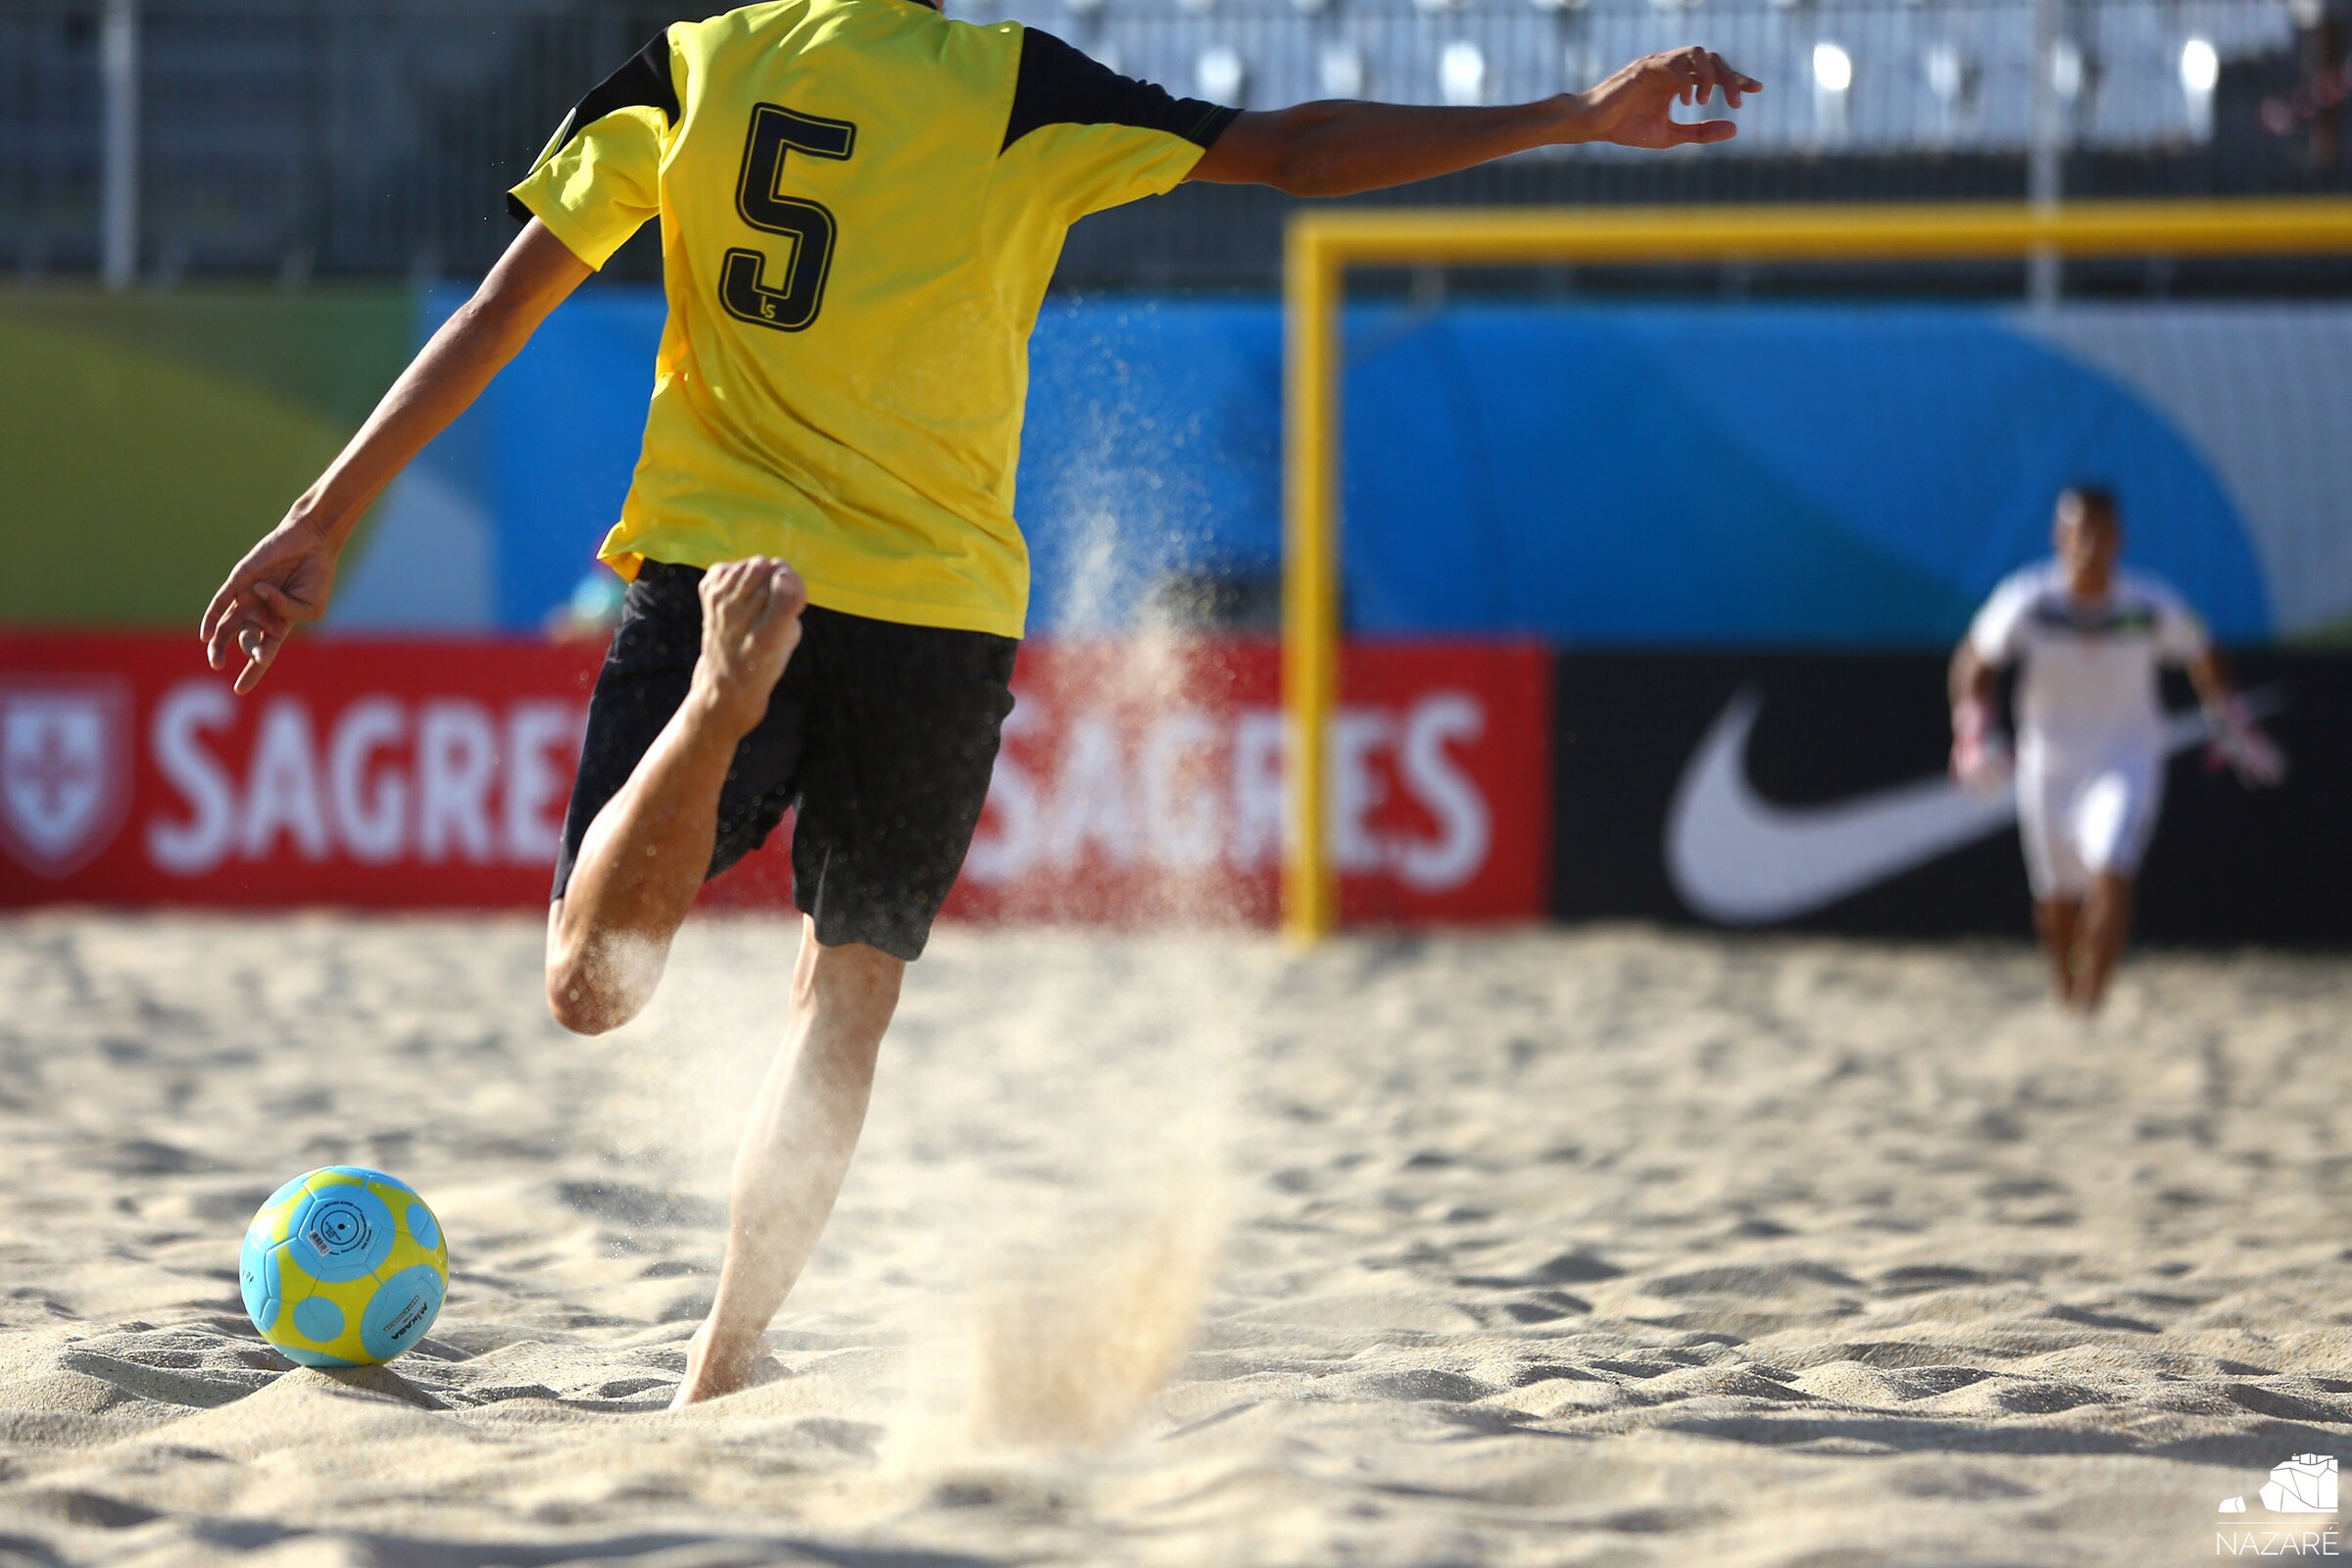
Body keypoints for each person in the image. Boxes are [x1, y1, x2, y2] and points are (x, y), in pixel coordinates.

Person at [199, 1, 1761, 1404]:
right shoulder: (1010, 82)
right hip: (940, 615)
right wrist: (1566, 116)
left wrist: (321, 518)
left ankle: (711, 716)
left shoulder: (695, 63)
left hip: (723, 573)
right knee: (846, 1003)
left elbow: (501, 307)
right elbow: (1299, 150)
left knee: (590, 989)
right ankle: (726, 1358)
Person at [1949, 486, 2283, 1015]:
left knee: (2111, 870)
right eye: (2080, 531)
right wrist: (1973, 727)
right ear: (2060, 538)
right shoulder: (2029, 601)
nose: (2090, 543)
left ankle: (2092, 1005)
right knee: (2056, 898)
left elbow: (2203, 650)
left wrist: (2228, 718)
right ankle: (2067, 1000)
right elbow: (1975, 659)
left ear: (2119, 537)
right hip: (2048, 763)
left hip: (2125, 761)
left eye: (2101, 531)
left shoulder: (2149, 605)